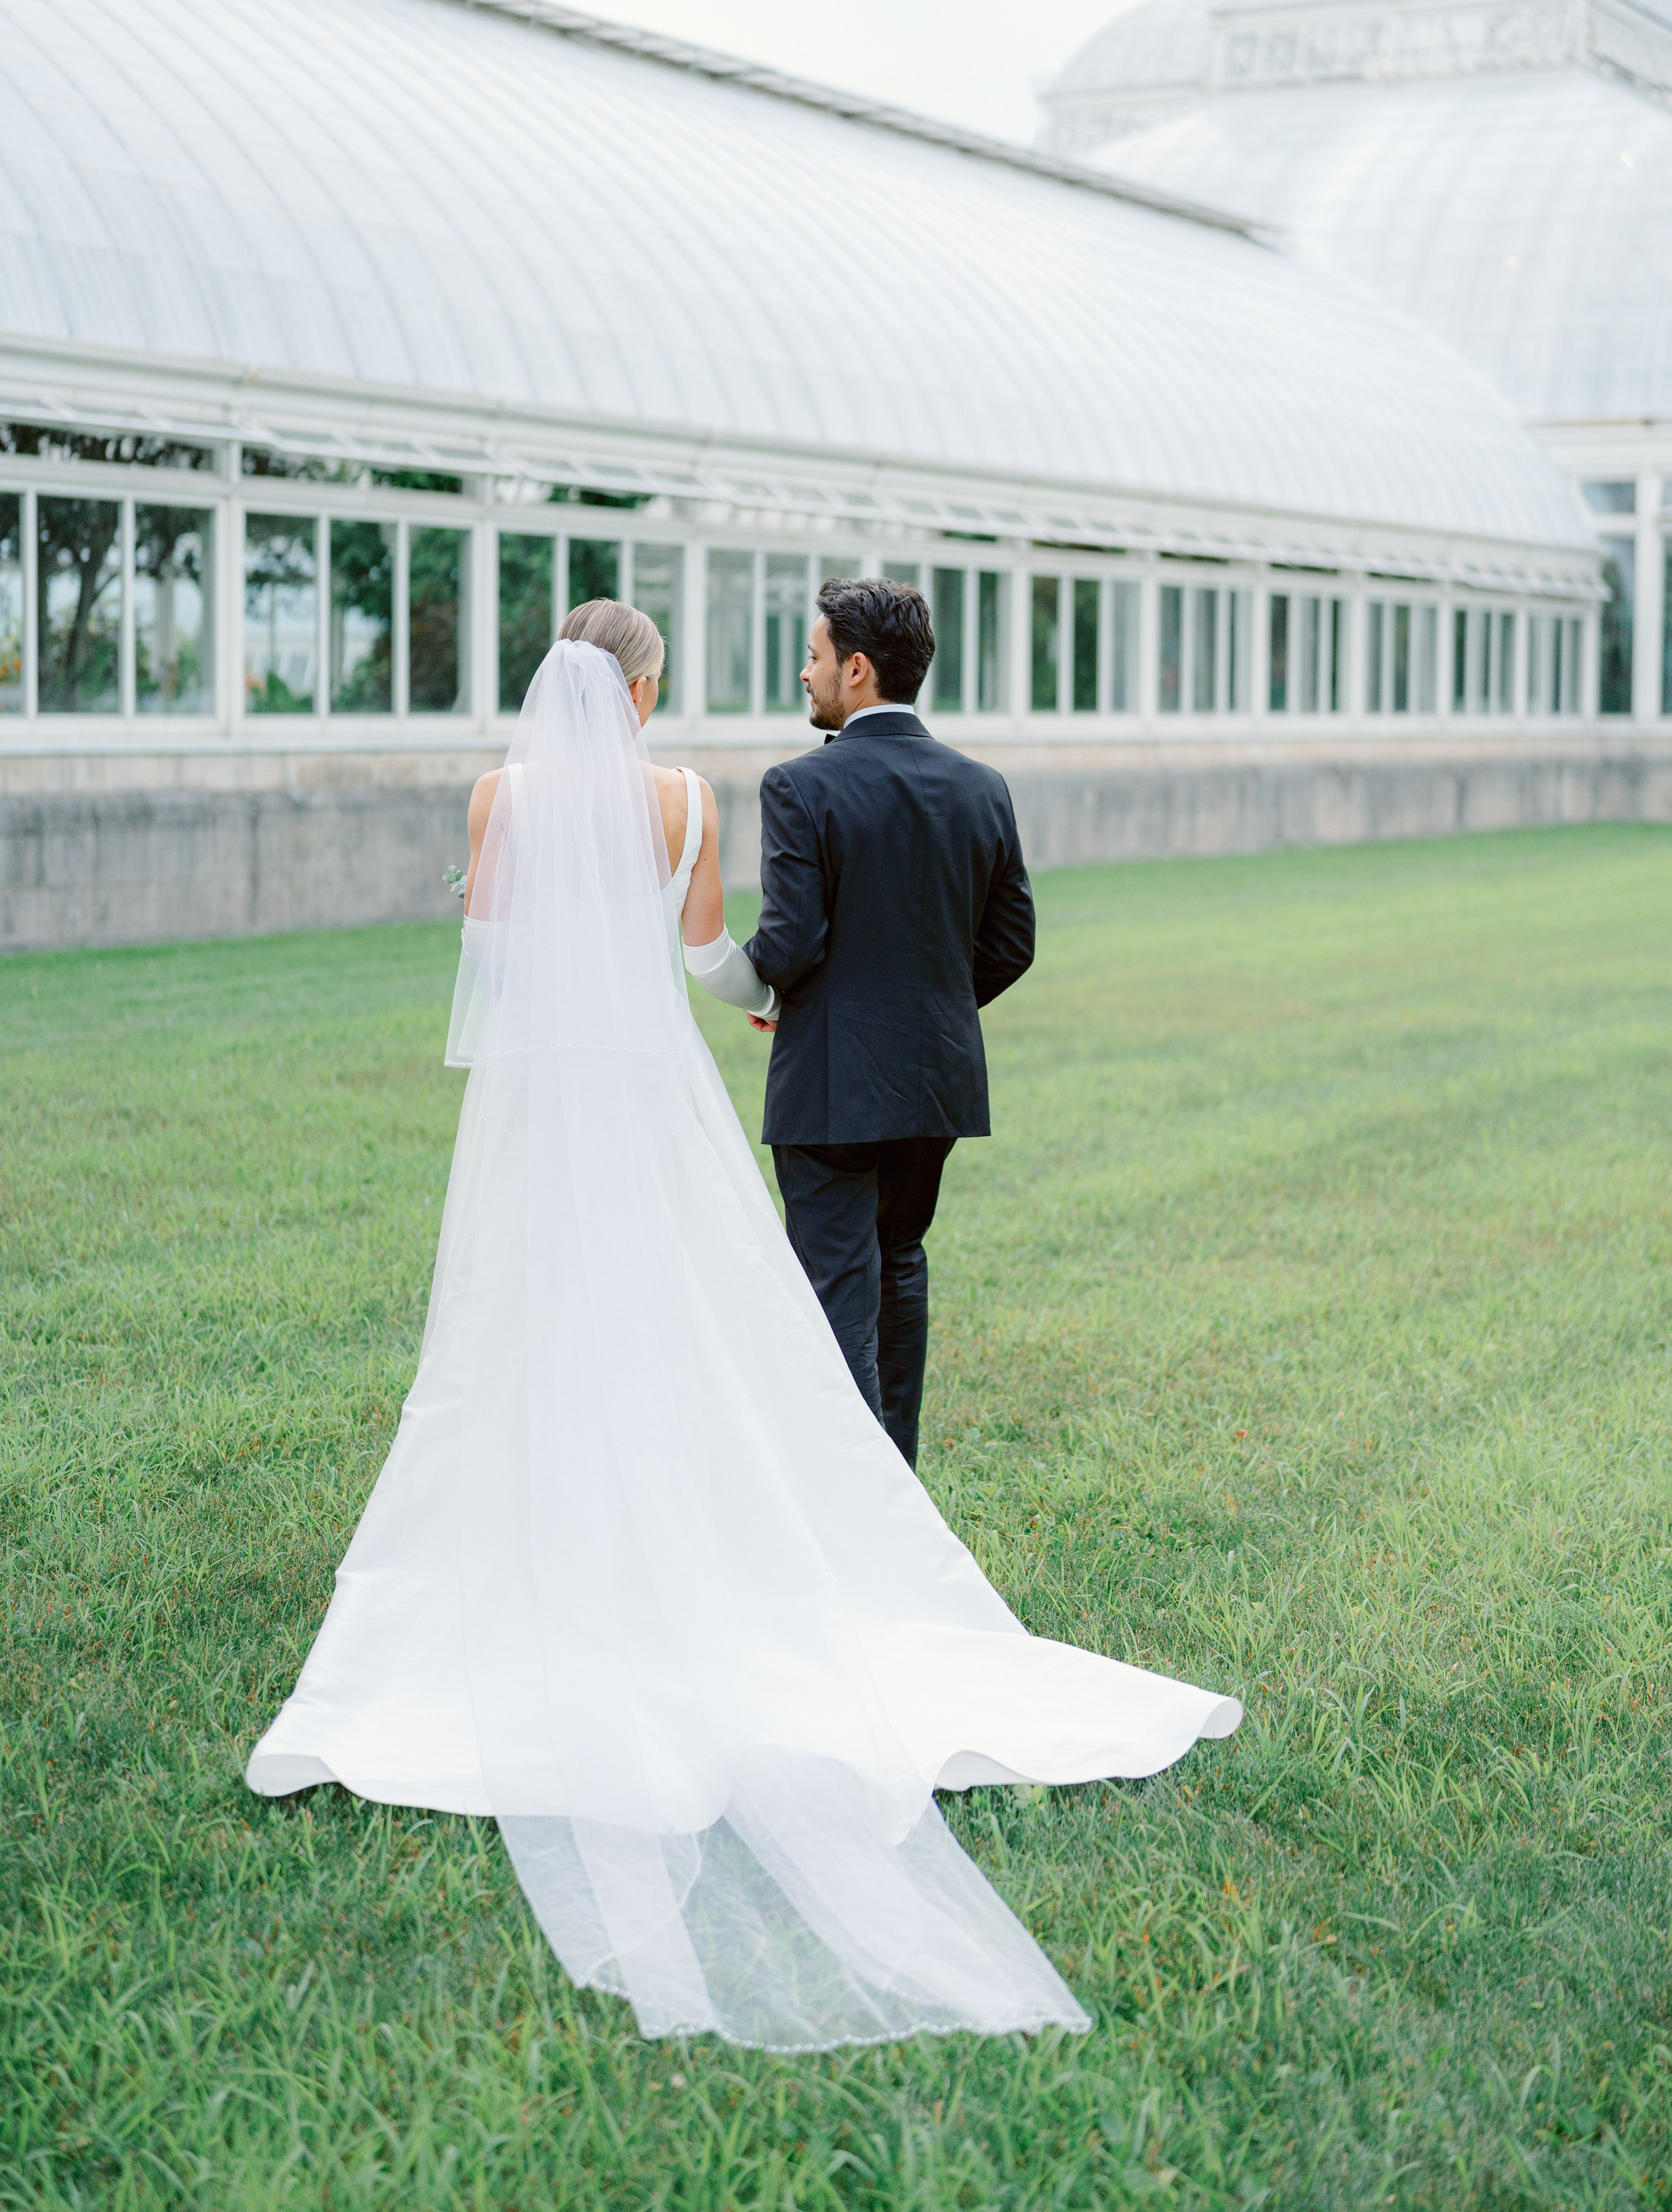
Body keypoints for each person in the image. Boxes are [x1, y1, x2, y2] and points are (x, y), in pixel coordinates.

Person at [247, 597, 1240, 2053]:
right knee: (732, 1305)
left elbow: (487, 929)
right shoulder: (680, 797)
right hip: (657, 1091)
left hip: (534, 1098)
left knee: (505, 1324)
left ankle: (563, 1517)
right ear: (639, 693)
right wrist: (779, 999)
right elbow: (716, 953)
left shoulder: (496, 795)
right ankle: (818, 1493)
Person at [745, 576, 1032, 1467]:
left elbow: (788, 946)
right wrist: (925, 1004)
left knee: (834, 1293)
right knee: (899, 1264)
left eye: (816, 656)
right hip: (933, 1082)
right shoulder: (982, 787)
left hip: (832, 1084)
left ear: (858, 670)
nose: (805, 673)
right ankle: (893, 1482)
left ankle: (855, 1508)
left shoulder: (799, 787)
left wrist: (768, 990)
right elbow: (1011, 943)